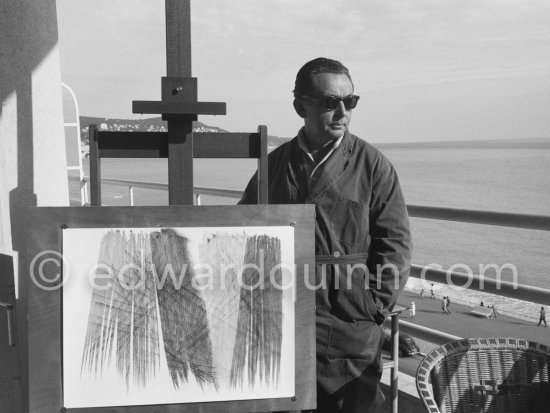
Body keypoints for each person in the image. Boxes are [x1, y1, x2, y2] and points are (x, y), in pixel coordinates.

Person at [240, 58, 412, 413]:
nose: (342, 111)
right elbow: (242, 232)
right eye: (330, 102)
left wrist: (372, 307)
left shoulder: (372, 165)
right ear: (300, 105)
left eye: (350, 101)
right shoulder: (272, 166)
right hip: (282, 323)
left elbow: (394, 244)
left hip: (349, 325)